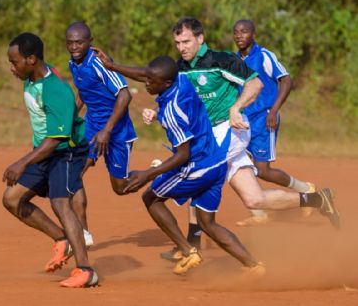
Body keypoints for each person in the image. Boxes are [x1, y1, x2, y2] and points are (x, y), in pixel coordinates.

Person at [133, 17, 339, 261]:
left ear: (200, 38)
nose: (182, 47)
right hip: (214, 137)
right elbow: (172, 95)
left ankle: (190, 246)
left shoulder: (221, 59)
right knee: (255, 200)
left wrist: (236, 108)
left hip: (231, 131)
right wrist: (156, 112)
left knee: (199, 170)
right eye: (177, 43)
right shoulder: (181, 69)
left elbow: (256, 84)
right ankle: (317, 199)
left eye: (186, 41)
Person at [93, 51, 265, 275]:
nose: (146, 83)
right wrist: (113, 67)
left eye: (151, 81)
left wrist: (149, 173)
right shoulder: (181, 80)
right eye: (146, 78)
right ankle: (254, 266)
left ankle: (188, 251)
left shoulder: (172, 111)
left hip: (197, 167)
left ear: (165, 83)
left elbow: (182, 155)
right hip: (217, 163)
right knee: (208, 223)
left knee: (151, 197)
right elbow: (146, 72)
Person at [1, 32, 98, 288]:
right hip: (43, 150)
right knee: (11, 199)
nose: (12, 67)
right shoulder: (33, 77)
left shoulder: (54, 91)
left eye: (15, 62)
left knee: (60, 203)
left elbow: (56, 140)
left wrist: (21, 163)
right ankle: (62, 239)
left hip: (66, 151)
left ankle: (86, 270)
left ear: (31, 59)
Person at [233, 19, 316, 222]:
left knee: (263, 170)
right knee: (236, 163)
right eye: (236, 32)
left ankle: (305, 189)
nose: (239, 36)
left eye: (244, 32)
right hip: (244, 120)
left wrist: (274, 110)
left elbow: (286, 79)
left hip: (264, 118)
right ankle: (259, 214)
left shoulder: (264, 55)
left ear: (253, 34)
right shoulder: (235, 61)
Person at [66, 22, 137, 193]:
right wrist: (70, 117)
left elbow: (125, 95)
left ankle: (155, 172)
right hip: (91, 125)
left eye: (79, 42)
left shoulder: (99, 63)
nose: (74, 47)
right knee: (75, 173)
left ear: (90, 41)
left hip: (117, 129)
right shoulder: (73, 63)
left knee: (121, 188)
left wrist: (107, 130)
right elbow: (84, 90)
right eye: (70, 42)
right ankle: (74, 219)